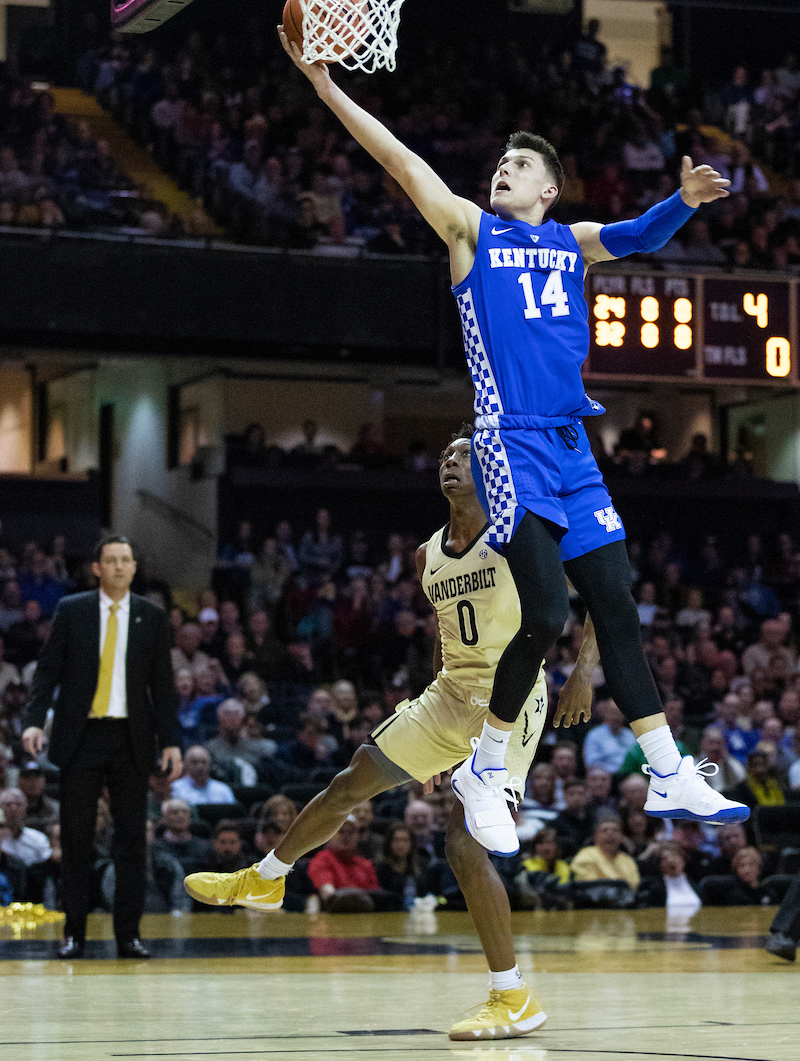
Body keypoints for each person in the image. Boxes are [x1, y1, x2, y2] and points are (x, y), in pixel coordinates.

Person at [276, 22, 748, 855]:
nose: (505, 168)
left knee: (619, 608)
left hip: (572, 445)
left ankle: (668, 765)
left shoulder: (571, 243)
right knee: (547, 610)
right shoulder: (469, 231)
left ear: (549, 191)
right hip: (508, 440)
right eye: (502, 161)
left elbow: (638, 235)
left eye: (521, 165)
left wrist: (686, 201)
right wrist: (324, 86)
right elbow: (398, 159)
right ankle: (487, 767)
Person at [185, 432, 597, 1040]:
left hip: (512, 700)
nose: (451, 464)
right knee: (354, 777)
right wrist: (435, 739)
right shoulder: (429, 552)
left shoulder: (522, 532)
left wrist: (583, 672)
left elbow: (606, 593)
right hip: (451, 695)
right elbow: (443, 635)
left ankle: (512, 996)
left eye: (465, 456)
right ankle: (267, 877)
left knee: (463, 837)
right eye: (445, 457)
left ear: (494, 470)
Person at [21, 535, 182, 960]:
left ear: (134, 567)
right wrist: (34, 721)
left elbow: (163, 686)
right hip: (82, 737)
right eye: (110, 560)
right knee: (75, 839)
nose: (118, 567)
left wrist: (173, 743)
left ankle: (128, 935)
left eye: (125, 560)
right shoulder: (72, 610)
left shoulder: (151, 615)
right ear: (96, 568)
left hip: (132, 739)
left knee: (132, 841)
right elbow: (48, 671)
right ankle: (74, 933)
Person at [570, 816, 640, 890]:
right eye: (604, 830)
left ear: (622, 837)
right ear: (595, 836)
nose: (610, 834)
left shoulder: (628, 860)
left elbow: (634, 886)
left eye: (615, 830)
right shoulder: (585, 855)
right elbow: (589, 886)